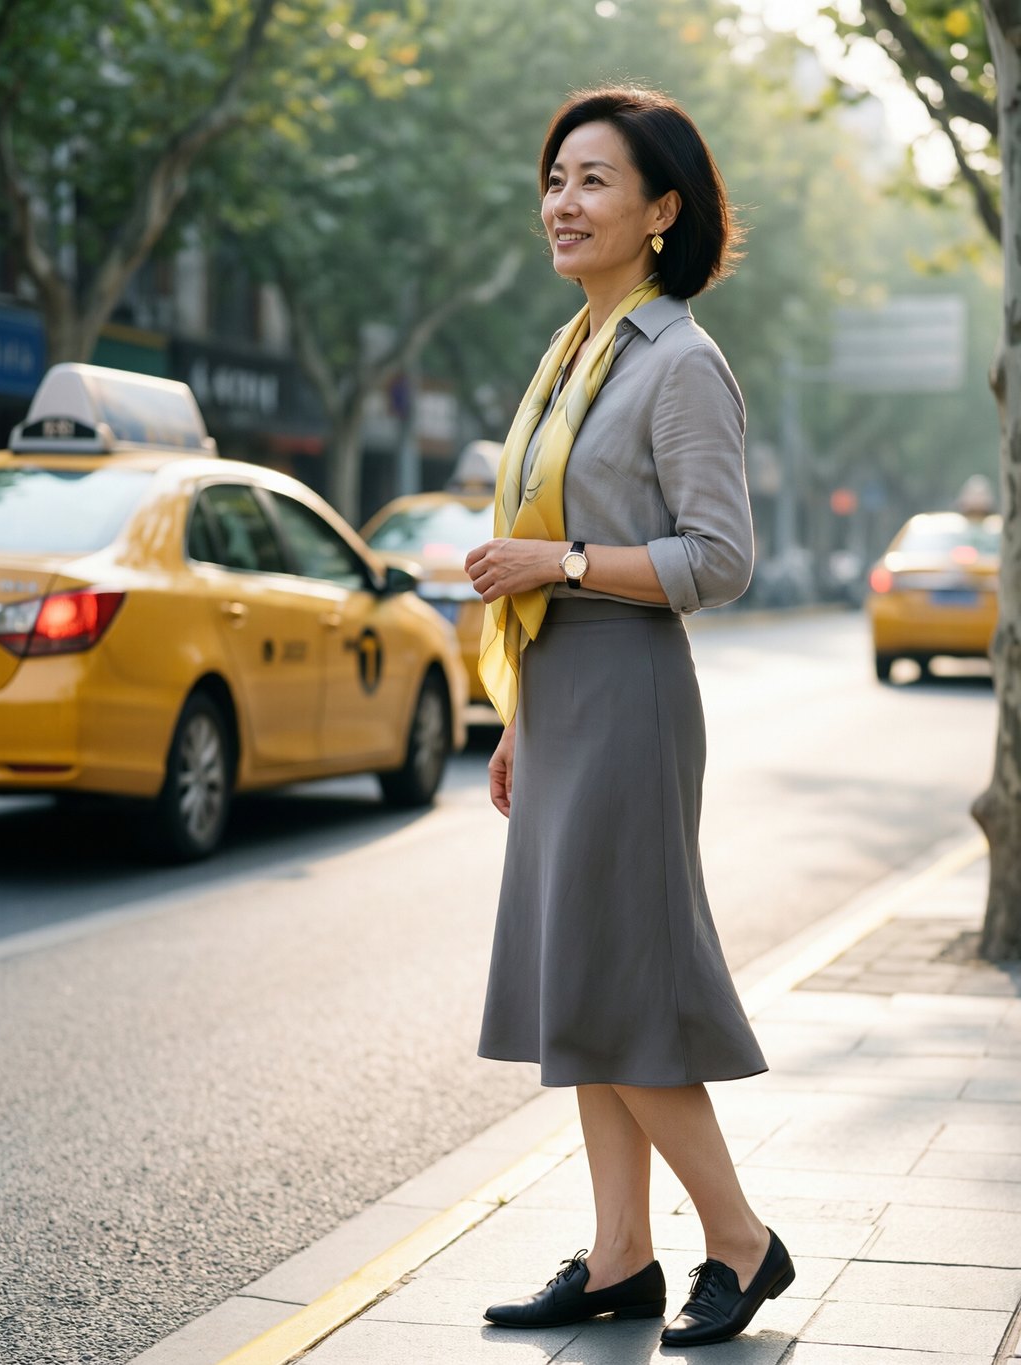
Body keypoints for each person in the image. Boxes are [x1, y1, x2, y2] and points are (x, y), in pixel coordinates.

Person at [464, 87, 794, 1348]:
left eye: (593, 180)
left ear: (661, 211)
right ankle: (618, 1258)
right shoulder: (573, 354)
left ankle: (741, 1242)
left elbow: (720, 559)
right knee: (584, 987)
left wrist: (556, 564)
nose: (562, 201)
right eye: (554, 178)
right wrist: (520, 713)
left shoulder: (679, 362)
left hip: (632, 693)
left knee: (629, 990)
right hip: (564, 694)